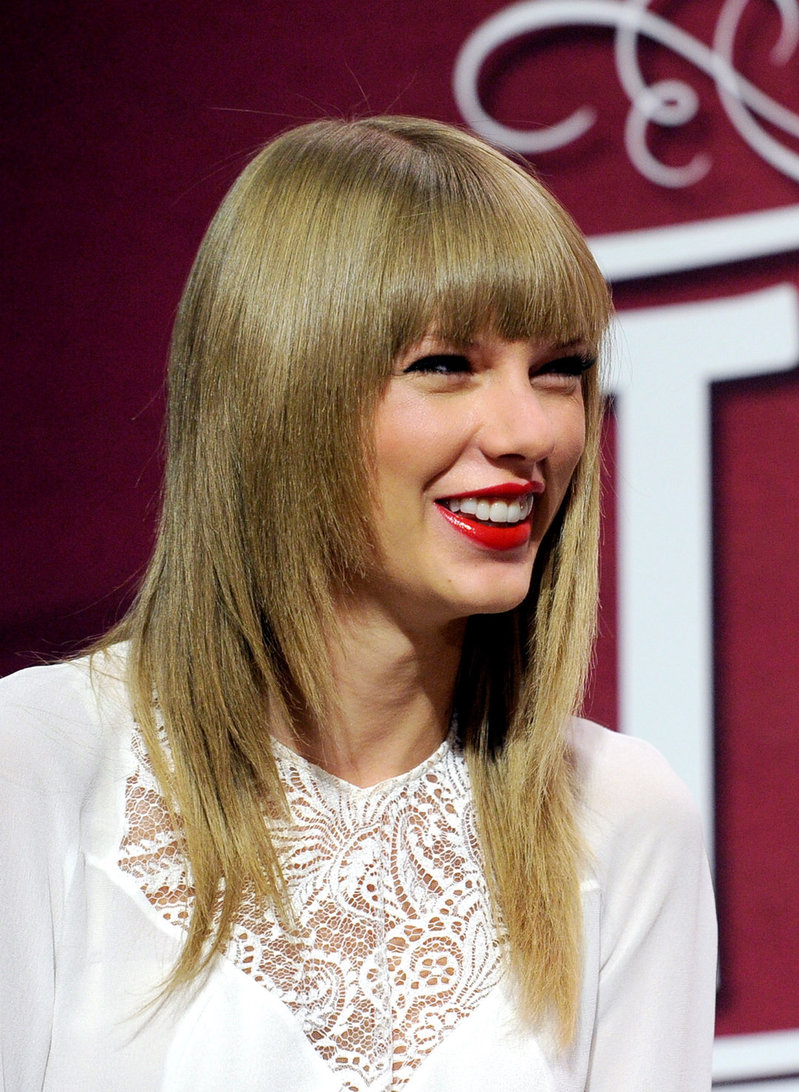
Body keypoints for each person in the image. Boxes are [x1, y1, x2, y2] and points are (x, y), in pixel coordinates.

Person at [0, 116, 716, 1091]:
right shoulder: (38, 761)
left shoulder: (623, 819)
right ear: (280, 390)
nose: (528, 431)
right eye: (446, 365)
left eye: (561, 369)